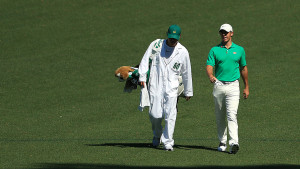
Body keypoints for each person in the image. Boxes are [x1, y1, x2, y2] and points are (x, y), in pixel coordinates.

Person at [138, 25, 193, 151]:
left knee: (170, 114)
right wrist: (142, 77)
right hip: (155, 84)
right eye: (171, 38)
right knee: (155, 114)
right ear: (167, 35)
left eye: (175, 39)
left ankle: (168, 141)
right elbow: (145, 60)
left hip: (172, 87)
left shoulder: (183, 51)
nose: (172, 41)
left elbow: (186, 72)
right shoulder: (156, 45)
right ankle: (157, 135)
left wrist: (188, 91)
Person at [206, 23, 249, 154]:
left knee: (232, 114)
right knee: (220, 115)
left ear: (231, 33)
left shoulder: (239, 50)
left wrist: (246, 86)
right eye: (222, 32)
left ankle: (234, 142)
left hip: (233, 86)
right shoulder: (214, 50)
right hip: (219, 85)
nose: (224, 34)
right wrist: (211, 75)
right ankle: (222, 140)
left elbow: (244, 69)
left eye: (226, 32)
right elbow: (209, 65)